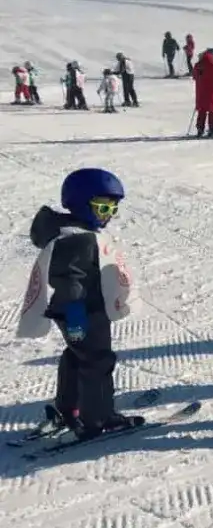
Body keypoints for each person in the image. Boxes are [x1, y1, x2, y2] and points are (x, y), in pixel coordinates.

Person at [18, 168, 142, 440]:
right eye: (102, 207)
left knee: (77, 356)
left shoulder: (74, 232)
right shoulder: (77, 240)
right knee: (97, 362)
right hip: (82, 312)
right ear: (80, 204)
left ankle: (69, 408)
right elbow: (71, 282)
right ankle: (97, 418)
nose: (108, 214)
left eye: (113, 208)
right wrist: (76, 317)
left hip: (78, 310)